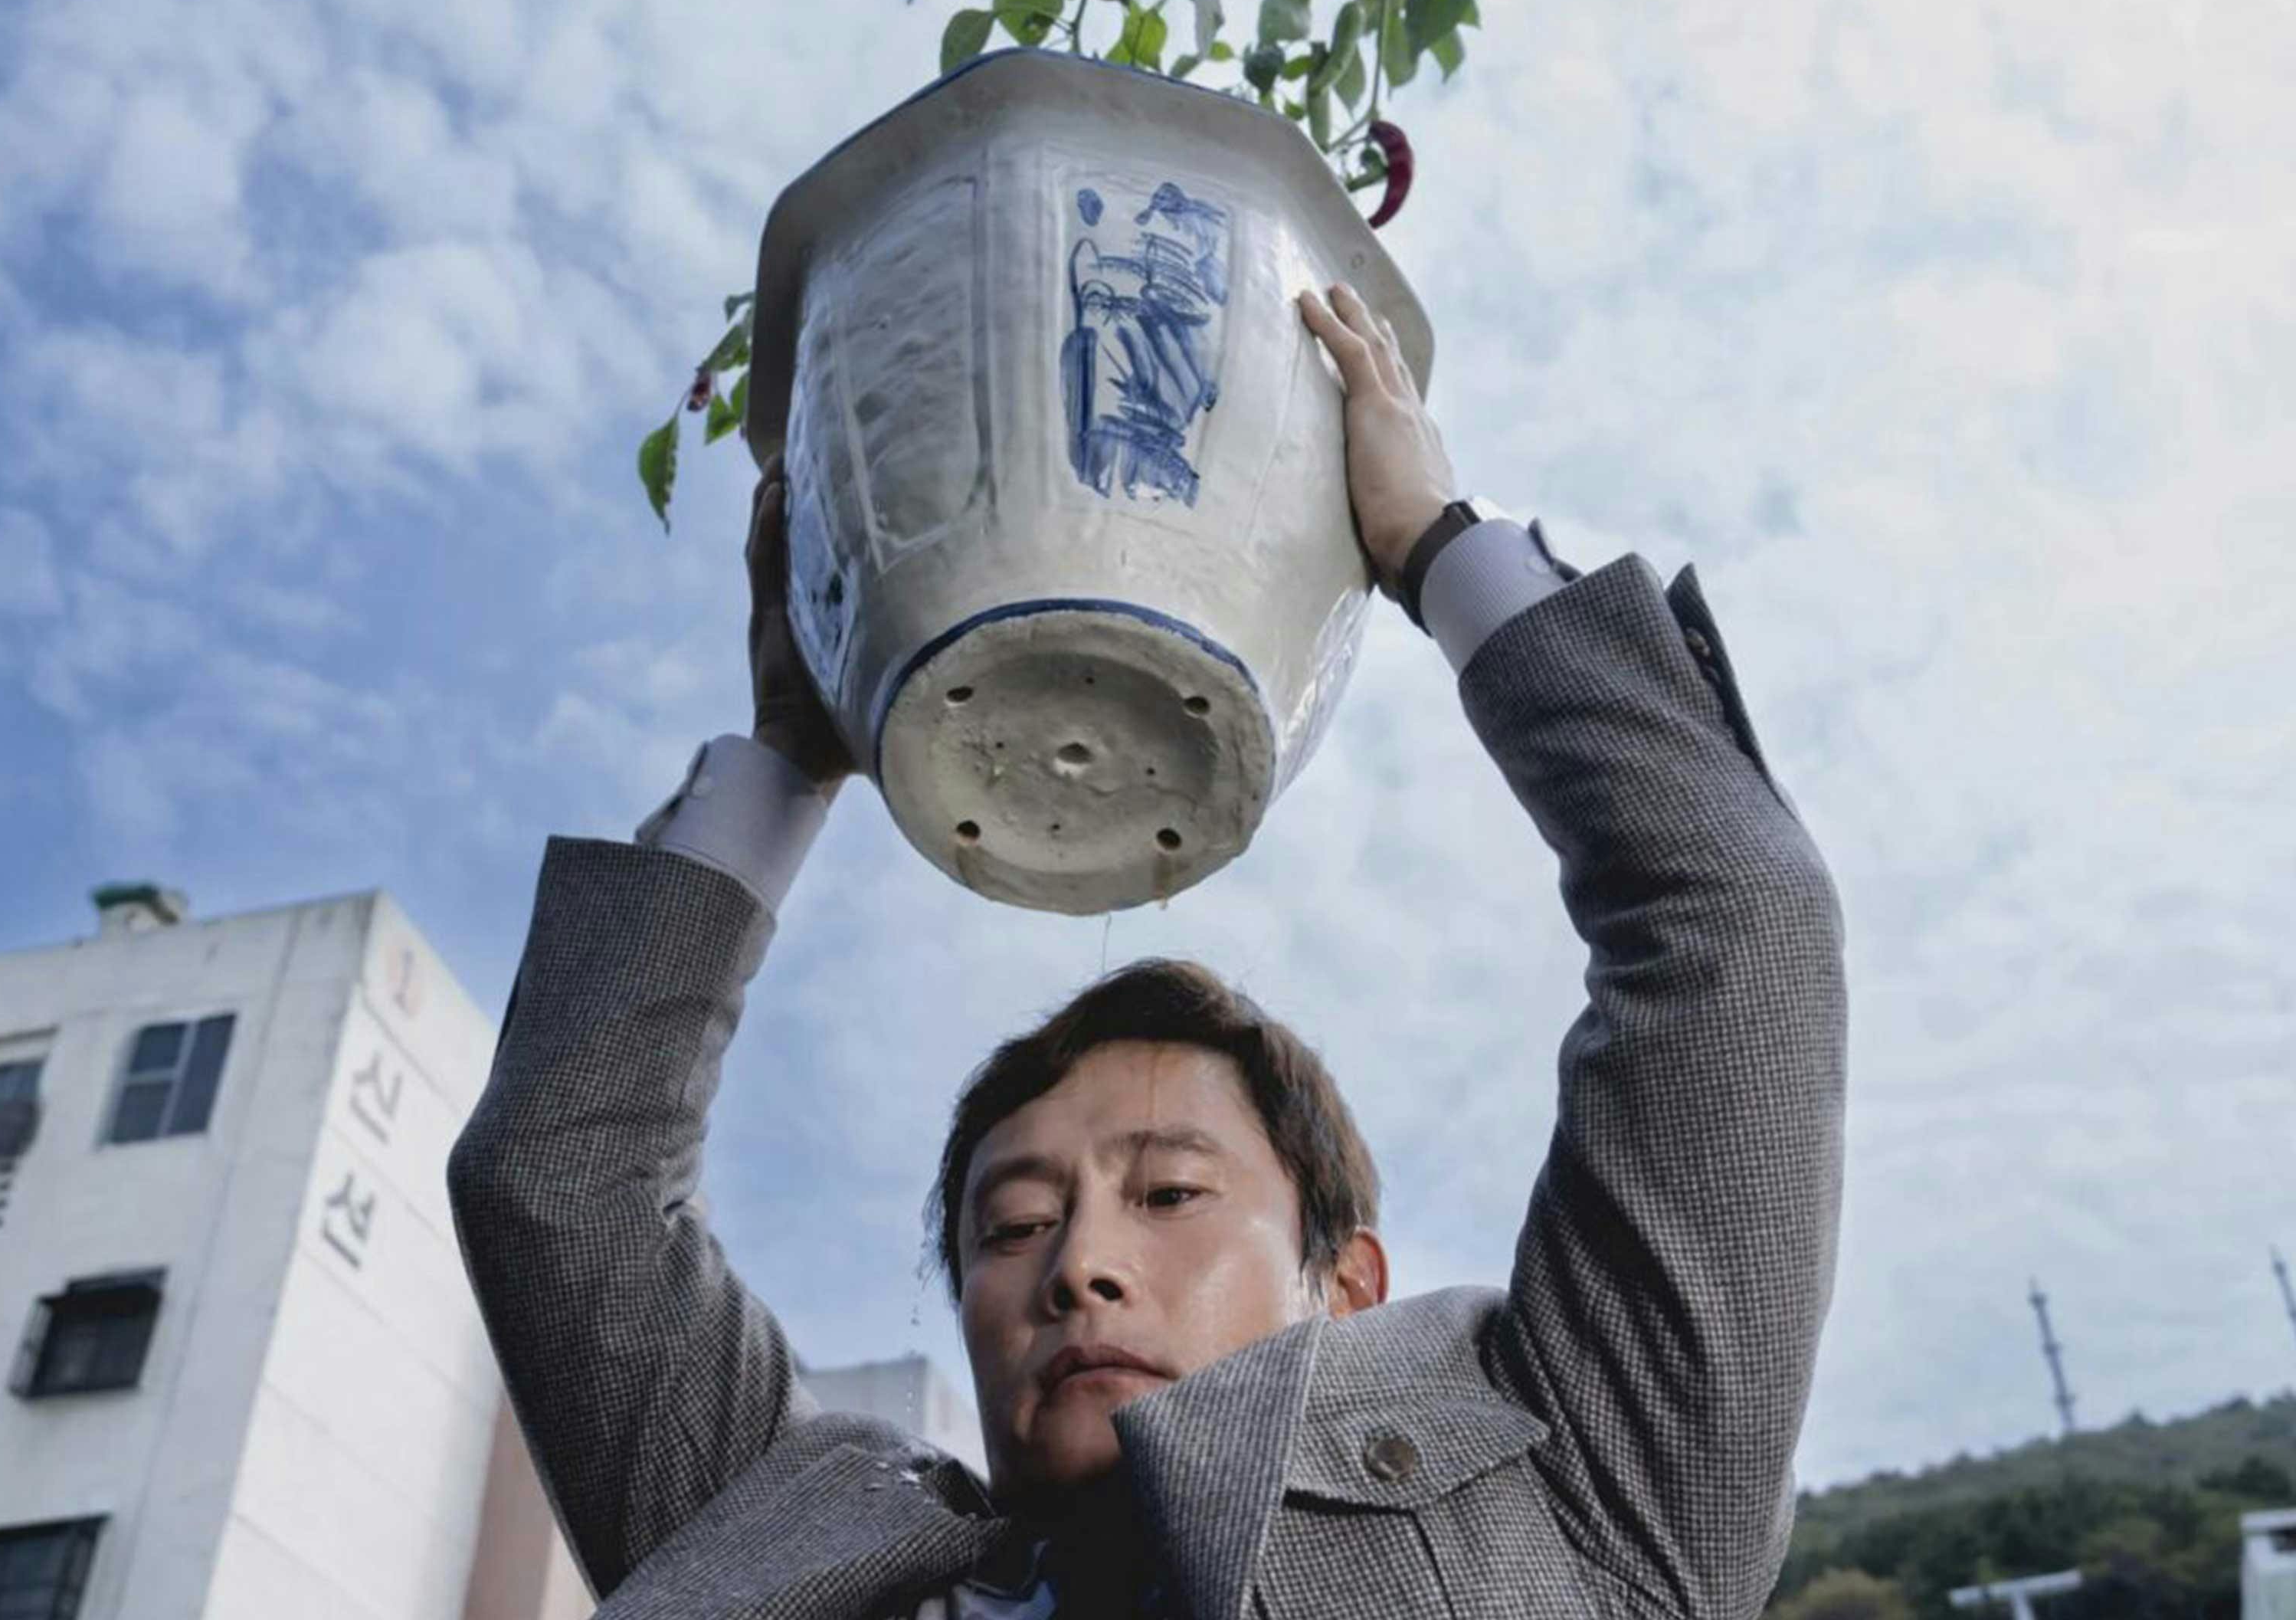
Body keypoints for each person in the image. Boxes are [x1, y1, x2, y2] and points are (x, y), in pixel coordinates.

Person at [447, 282, 1848, 1620]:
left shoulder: (1588, 1489)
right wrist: (790, 753)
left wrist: (1434, 543)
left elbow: (1734, 920)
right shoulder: (787, 1550)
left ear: (1347, 1284)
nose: (1078, 1269)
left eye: (1171, 1193)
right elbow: (559, 1181)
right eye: (1009, 1227)